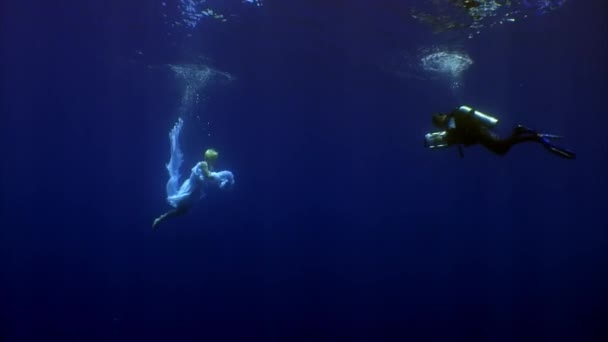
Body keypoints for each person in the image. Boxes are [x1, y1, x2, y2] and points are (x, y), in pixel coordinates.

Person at [153, 118, 235, 230]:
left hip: (195, 192)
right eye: (215, 158)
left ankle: (161, 219)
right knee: (181, 210)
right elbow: (209, 176)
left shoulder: (209, 166)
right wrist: (223, 176)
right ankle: (160, 219)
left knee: (182, 211)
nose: (216, 161)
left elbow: (211, 179)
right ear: (212, 158)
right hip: (191, 189)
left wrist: (221, 181)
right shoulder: (203, 165)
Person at [424, 105, 576, 159]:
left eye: (438, 122)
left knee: (502, 148)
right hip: (483, 133)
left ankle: (531, 136)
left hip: (482, 134)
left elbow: (455, 134)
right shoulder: (454, 117)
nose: (440, 124)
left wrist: (447, 138)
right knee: (501, 149)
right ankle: (523, 133)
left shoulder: (452, 119)